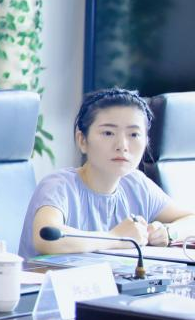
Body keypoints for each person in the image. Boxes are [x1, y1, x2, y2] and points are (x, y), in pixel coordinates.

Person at [20, 88, 195, 259]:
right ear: (82, 140)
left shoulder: (137, 184)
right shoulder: (59, 185)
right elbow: (47, 238)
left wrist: (168, 232)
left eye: (134, 134)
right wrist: (117, 238)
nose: (122, 145)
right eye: (108, 133)